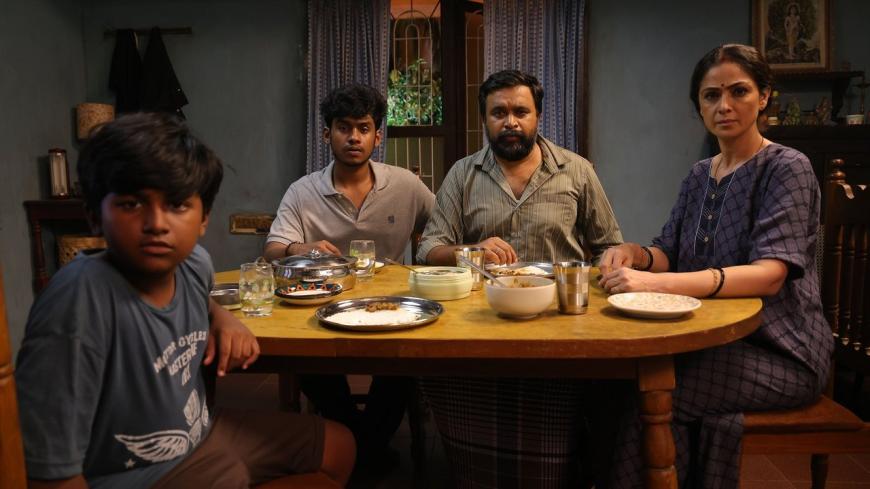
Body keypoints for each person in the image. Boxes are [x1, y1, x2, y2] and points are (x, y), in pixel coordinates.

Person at [15, 113, 355, 489]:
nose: (156, 224)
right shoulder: (77, 302)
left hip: (199, 433)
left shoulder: (194, 264)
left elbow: (200, 298)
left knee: (338, 446)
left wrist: (222, 318)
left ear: (204, 218)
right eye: (131, 204)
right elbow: (50, 474)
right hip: (129, 473)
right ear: (95, 216)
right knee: (233, 477)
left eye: (177, 205)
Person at [597, 44, 832, 488]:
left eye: (738, 91)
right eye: (711, 95)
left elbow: (770, 275)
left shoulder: (787, 167)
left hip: (782, 351)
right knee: (621, 382)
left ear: (764, 96)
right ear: (699, 106)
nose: (724, 105)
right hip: (712, 340)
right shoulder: (699, 174)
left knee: (652, 395)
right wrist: (633, 253)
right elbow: (667, 251)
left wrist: (657, 284)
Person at [416, 69, 623, 487]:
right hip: (481, 318)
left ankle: (566, 465)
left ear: (537, 116)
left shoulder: (576, 171)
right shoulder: (463, 174)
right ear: (485, 119)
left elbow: (608, 248)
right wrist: (469, 250)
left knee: (602, 395)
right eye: (499, 113)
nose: (510, 121)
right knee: (439, 371)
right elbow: (428, 249)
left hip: (560, 319)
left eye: (520, 112)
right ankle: (476, 464)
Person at [264, 83, 435, 473]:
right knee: (308, 365)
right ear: (327, 134)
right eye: (344, 127)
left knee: (406, 366)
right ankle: (367, 449)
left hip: (391, 309)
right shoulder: (303, 191)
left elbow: (442, 228)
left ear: (377, 136)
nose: (354, 137)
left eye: (363, 127)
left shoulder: (405, 185)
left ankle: (355, 451)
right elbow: (273, 249)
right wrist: (300, 247)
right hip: (320, 305)